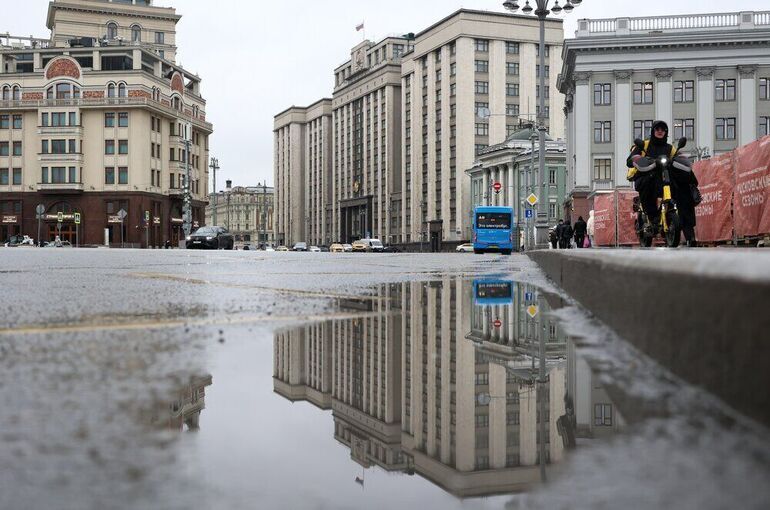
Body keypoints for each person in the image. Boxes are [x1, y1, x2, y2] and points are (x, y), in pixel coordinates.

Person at [626, 120, 671, 231]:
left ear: (666, 132)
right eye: (657, 129)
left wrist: (683, 161)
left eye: (663, 129)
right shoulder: (644, 145)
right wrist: (638, 159)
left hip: (663, 178)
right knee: (649, 182)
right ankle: (652, 216)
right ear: (653, 131)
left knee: (681, 181)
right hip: (644, 176)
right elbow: (630, 160)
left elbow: (678, 157)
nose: (660, 131)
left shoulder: (670, 148)